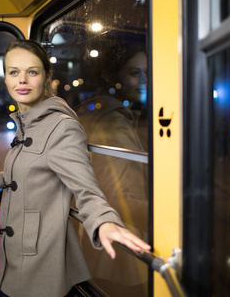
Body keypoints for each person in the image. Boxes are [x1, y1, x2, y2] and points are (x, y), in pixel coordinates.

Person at [0, 39, 151, 297]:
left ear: (47, 77)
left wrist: (104, 222)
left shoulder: (61, 127)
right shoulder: (27, 124)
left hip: (38, 267)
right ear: (5, 79)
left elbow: (86, 189)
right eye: (14, 72)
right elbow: (37, 171)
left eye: (32, 72)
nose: (22, 80)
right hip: (14, 260)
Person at [74, 41, 149, 295]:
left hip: (100, 241)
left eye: (147, 73)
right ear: (117, 78)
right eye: (135, 73)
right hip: (122, 244)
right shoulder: (116, 122)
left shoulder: (97, 109)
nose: (144, 80)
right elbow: (116, 192)